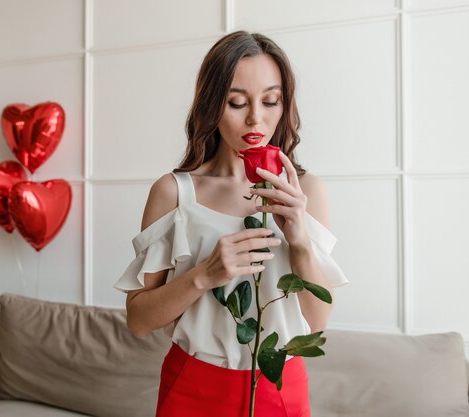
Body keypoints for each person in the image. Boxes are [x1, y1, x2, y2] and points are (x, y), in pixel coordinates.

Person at [114, 31, 348, 417]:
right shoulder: (174, 193)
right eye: (237, 102)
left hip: (281, 386)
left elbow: (318, 321)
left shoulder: (305, 191)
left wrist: (300, 239)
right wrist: (203, 275)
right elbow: (139, 322)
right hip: (192, 386)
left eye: (270, 101)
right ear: (211, 105)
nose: (256, 118)